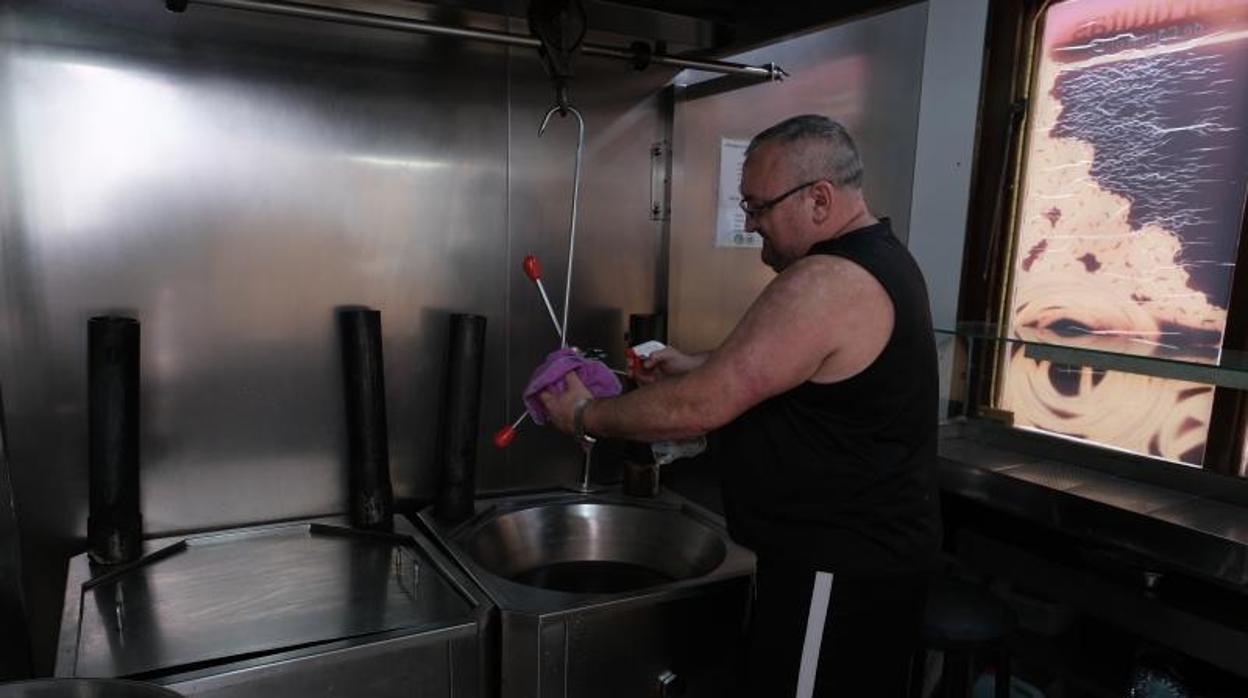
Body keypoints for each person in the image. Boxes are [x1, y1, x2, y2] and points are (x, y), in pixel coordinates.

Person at [538, 114, 941, 697]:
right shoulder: (877, 258)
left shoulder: (826, 282)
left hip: (839, 568)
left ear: (820, 199)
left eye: (759, 207)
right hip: (846, 562)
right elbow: (802, 366)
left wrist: (582, 416)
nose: (752, 226)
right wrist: (694, 363)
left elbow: (700, 409)